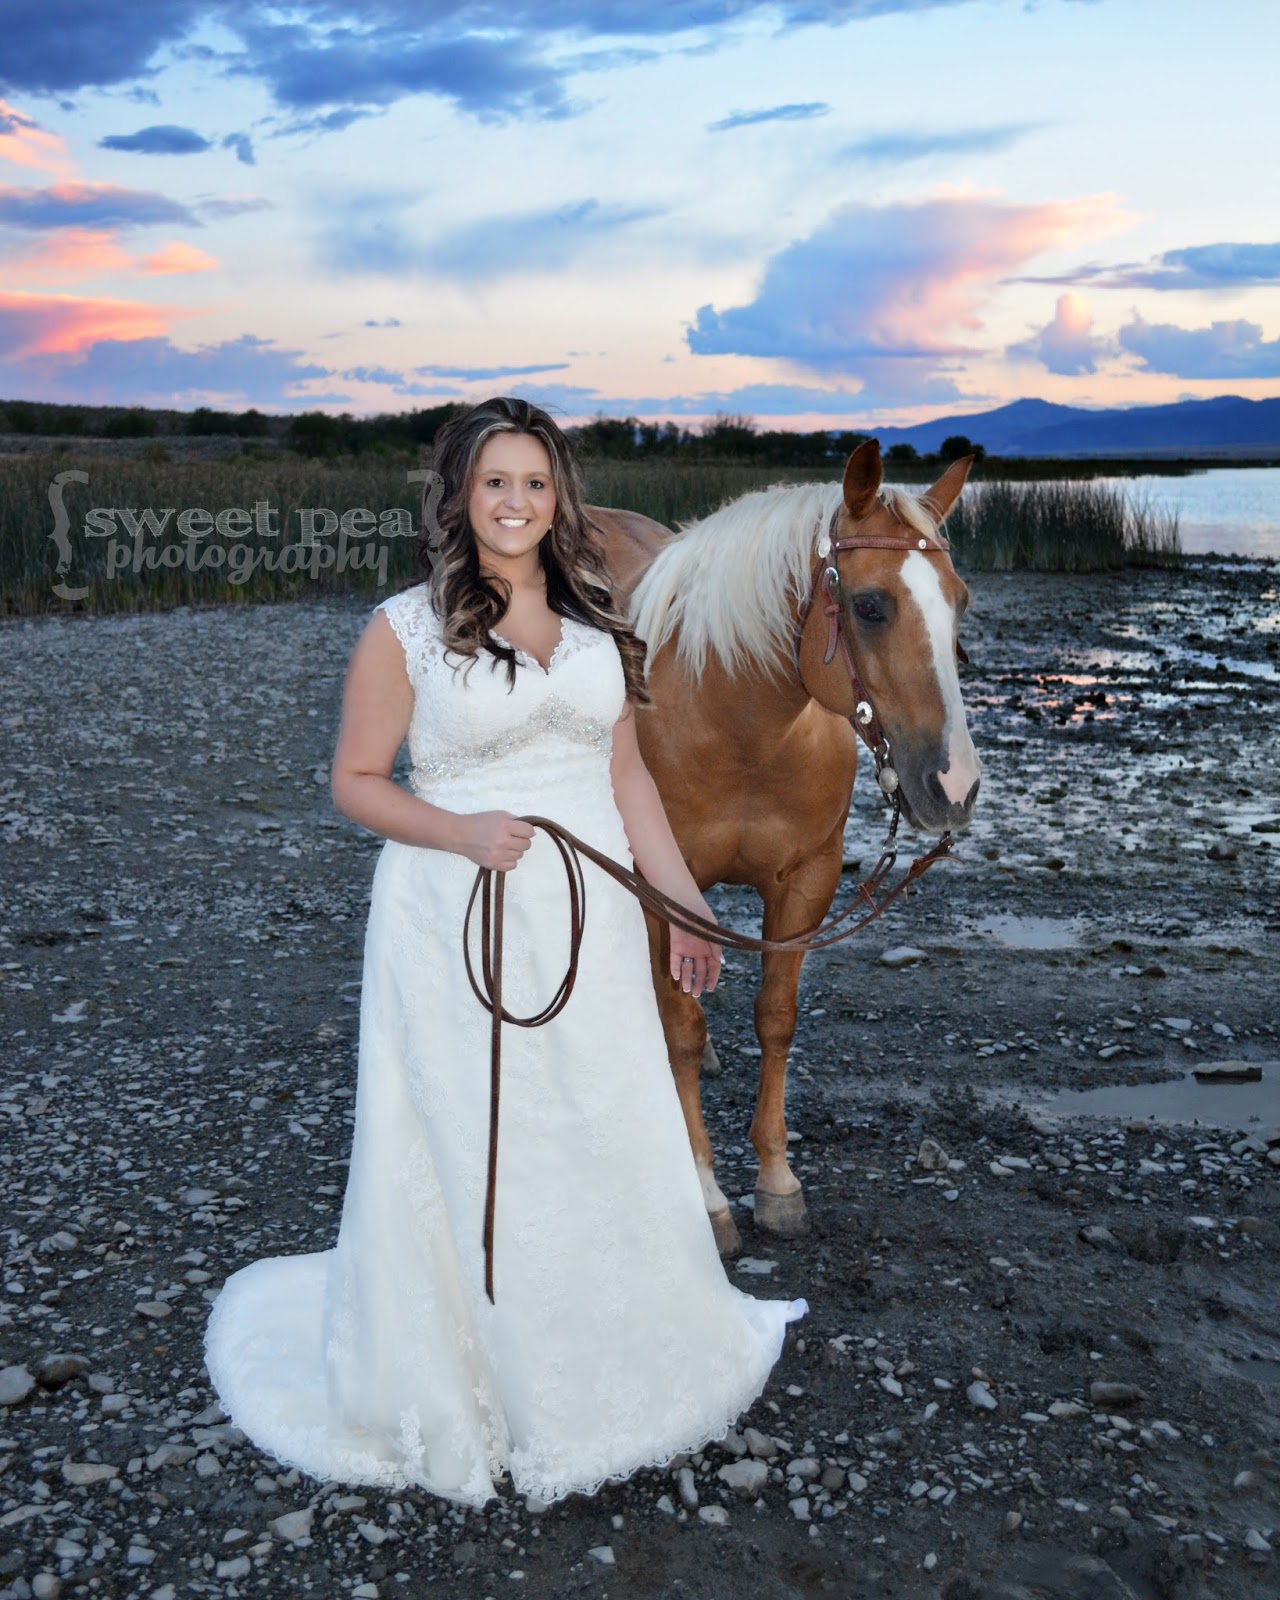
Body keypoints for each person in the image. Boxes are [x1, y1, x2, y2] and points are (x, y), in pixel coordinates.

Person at [203, 395, 806, 1507]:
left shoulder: (597, 635)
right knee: (471, 1138)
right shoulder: (401, 630)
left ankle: (616, 1346)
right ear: (458, 497)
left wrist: (678, 905)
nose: (516, 502)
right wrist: (462, 830)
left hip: (591, 921)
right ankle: (473, 1367)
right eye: (495, 483)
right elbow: (354, 781)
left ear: (559, 498)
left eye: (535, 482)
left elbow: (627, 781)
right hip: (452, 918)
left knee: (598, 1113)